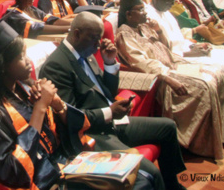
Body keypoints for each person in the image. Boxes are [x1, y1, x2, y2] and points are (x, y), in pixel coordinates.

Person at [40, 12, 187, 190]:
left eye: (99, 38)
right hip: (92, 133)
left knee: (168, 127)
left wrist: (109, 63)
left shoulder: (86, 52)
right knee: (151, 173)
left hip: (111, 121)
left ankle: (172, 186)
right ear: (77, 33)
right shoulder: (57, 65)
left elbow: (107, 92)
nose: (98, 44)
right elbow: (70, 117)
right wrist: (110, 112)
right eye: (94, 38)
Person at [0, 19, 96, 190]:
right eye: (21, 57)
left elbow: (64, 134)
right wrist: (39, 108)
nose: (28, 60)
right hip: (42, 182)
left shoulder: (24, 86)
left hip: (63, 165)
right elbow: (11, 170)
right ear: (3, 66)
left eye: (26, 53)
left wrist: (57, 105)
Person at [116, 0, 224, 160]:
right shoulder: (124, 34)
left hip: (172, 63)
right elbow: (142, 63)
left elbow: (165, 47)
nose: (144, 12)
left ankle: (220, 134)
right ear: (128, 15)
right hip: (161, 75)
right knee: (204, 86)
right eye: (140, 9)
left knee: (218, 72)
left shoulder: (145, 26)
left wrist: (159, 31)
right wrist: (168, 78)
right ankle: (200, 144)